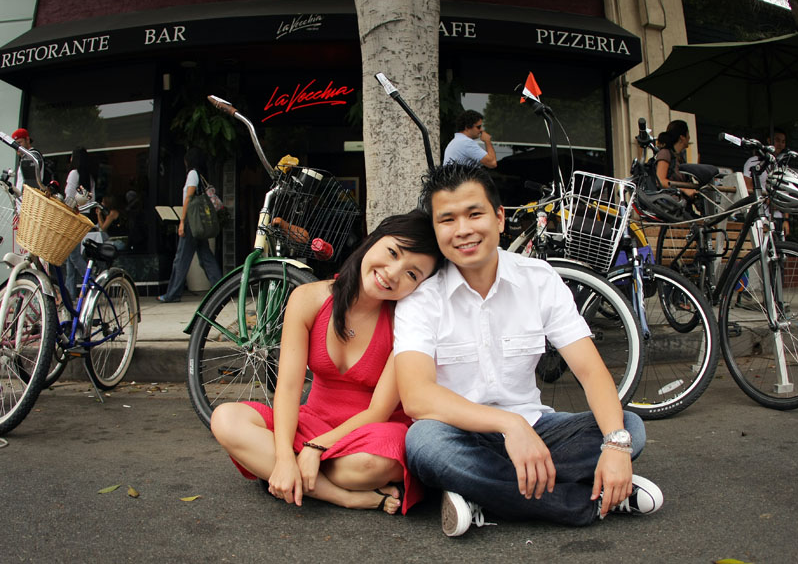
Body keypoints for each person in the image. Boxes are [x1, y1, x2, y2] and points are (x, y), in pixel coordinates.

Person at [394, 164, 663, 537]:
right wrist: (509, 424)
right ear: (436, 230)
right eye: (448, 220)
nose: (463, 230)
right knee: (423, 444)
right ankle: (585, 503)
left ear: (500, 217)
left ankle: (481, 492)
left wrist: (616, 446)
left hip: (539, 430)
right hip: (460, 434)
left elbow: (589, 369)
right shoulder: (421, 300)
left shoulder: (539, 280)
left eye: (475, 214)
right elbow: (417, 397)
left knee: (629, 426)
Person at [210, 210, 443, 515]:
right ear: (372, 240)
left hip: (369, 433)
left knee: (377, 463)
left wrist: (316, 448)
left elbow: (378, 411)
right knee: (226, 419)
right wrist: (282, 455)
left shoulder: (406, 321)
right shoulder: (308, 298)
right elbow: (290, 388)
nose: (393, 272)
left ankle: (294, 474)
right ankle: (339, 494)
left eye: (412, 274)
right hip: (311, 421)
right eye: (392, 252)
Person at [158, 147, 222, 303]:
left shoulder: (192, 174)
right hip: (197, 222)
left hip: (191, 222)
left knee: (181, 259)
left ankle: (172, 294)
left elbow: (189, 198)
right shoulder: (199, 174)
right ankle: (220, 289)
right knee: (206, 257)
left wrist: (182, 221)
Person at [743, 129, 790, 236]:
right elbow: (747, 188)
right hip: (760, 214)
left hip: (778, 216)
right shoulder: (753, 161)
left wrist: (786, 220)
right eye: (777, 140)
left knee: (778, 248)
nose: (780, 144)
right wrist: (765, 199)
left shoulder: (782, 165)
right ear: (769, 140)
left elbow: (786, 192)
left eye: (783, 141)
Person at [63, 147, 96, 297]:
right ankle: (70, 293)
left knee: (73, 255)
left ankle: (93, 282)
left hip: (72, 217)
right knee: (71, 259)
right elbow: (92, 199)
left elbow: (68, 196)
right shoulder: (88, 177)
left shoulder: (73, 174)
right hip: (84, 217)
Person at [655, 120, 695, 198]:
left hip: (681, 205)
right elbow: (661, 181)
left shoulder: (680, 158)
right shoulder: (665, 153)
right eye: (688, 134)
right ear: (682, 137)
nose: (689, 137)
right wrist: (684, 189)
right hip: (669, 205)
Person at [12, 128, 44, 193]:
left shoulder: (33, 155)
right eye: (15, 144)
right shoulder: (25, 158)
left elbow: (32, 183)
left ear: (27, 140)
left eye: (19, 142)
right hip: (23, 200)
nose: (17, 147)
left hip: (29, 199)